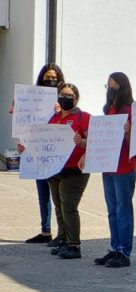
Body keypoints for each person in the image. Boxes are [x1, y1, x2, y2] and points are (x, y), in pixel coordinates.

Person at [17, 83, 90, 259]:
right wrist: (25, 148)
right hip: (54, 169)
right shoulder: (53, 118)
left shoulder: (84, 117)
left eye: (69, 96)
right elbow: (41, 142)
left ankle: (74, 244)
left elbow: (93, 141)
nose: (65, 98)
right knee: (58, 206)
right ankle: (64, 239)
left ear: (76, 98)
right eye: (62, 95)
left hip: (75, 170)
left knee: (69, 207)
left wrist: (82, 143)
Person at [94, 72, 136, 268]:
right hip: (108, 166)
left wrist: (129, 132)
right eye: (109, 87)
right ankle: (115, 247)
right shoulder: (109, 110)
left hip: (124, 167)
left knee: (123, 210)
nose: (112, 90)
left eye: (116, 87)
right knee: (112, 210)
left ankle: (124, 252)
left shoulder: (131, 110)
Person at [19, 64, 65, 245]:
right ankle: (45, 231)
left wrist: (59, 110)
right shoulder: (33, 97)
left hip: (55, 151)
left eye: (54, 77)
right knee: (43, 193)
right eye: (48, 77)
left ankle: (63, 233)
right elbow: (25, 123)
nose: (51, 80)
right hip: (38, 150)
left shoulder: (64, 96)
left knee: (59, 196)